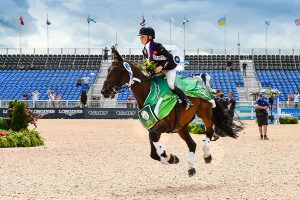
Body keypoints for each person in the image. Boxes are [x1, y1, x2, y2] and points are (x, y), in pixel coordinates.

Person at [138, 26, 192, 110]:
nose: (140, 39)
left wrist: (161, 66)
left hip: (169, 67)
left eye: (142, 36)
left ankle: (187, 100)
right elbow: (149, 62)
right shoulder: (144, 50)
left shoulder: (157, 46)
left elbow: (170, 57)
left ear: (150, 37)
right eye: (140, 37)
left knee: (170, 85)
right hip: (158, 70)